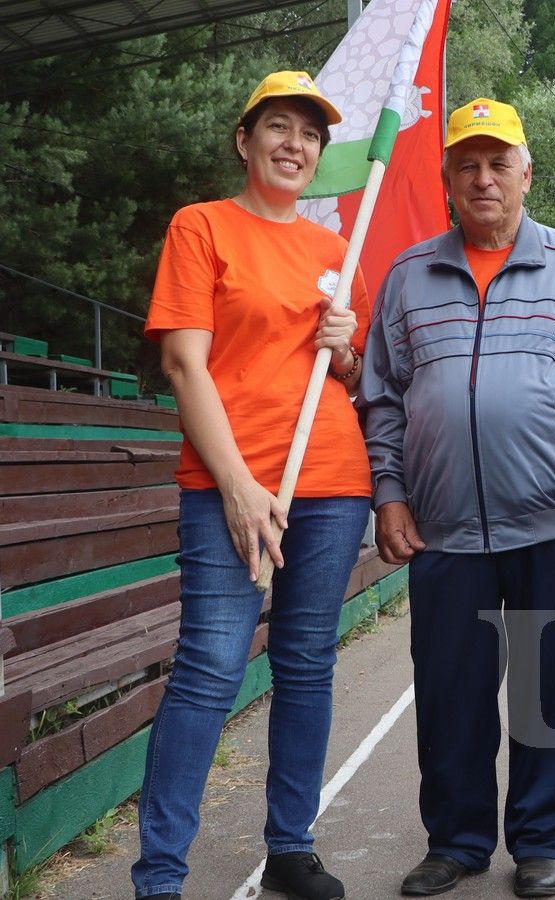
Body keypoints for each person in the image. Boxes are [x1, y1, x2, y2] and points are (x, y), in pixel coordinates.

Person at [357, 97, 555, 899]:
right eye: (467, 164)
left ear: (528, 173)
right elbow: (380, 397)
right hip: (443, 529)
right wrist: (389, 493)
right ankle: (453, 841)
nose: (483, 177)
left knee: (546, 693)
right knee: (450, 695)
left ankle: (540, 842)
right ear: (448, 179)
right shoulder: (409, 275)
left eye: (498, 163)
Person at [132, 71, 370, 900]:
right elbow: (181, 362)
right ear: (245, 140)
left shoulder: (337, 252)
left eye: (308, 133)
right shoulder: (201, 227)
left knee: (306, 664)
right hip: (229, 482)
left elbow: (348, 375)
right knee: (209, 666)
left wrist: (343, 347)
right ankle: (161, 874)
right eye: (277, 125)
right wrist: (237, 487)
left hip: (333, 481)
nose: (293, 143)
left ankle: (291, 848)